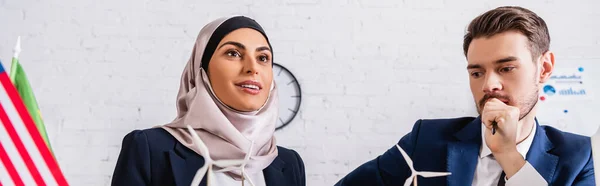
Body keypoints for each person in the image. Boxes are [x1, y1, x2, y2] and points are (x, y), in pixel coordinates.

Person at [335, 6, 594, 186]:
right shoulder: (425, 141)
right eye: (477, 72)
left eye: (506, 68)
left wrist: (508, 155)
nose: (489, 85)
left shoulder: (581, 156)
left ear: (545, 68)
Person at [111, 16, 306, 186]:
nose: (252, 68)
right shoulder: (150, 150)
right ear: (201, 69)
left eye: (263, 57)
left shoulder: (289, 164)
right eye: (233, 53)